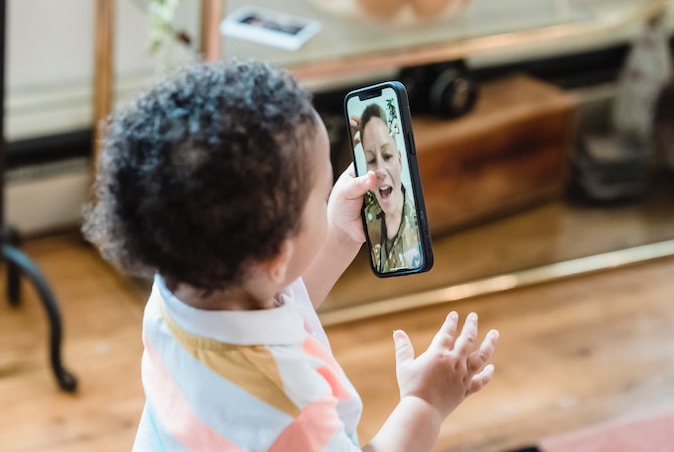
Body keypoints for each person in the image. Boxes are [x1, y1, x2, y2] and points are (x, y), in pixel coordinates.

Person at [84, 59, 499, 451]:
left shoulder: (177, 291)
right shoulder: (289, 410)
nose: (328, 199)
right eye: (320, 197)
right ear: (276, 254)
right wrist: (424, 404)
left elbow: (279, 302)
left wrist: (336, 234)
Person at [357, 104, 422, 272]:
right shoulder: (365, 214)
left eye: (387, 156)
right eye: (371, 160)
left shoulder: (417, 223)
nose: (379, 170)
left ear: (399, 160)